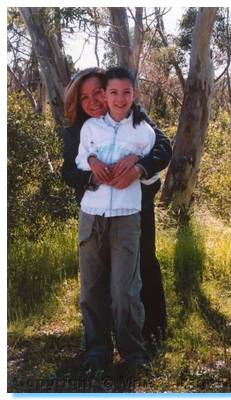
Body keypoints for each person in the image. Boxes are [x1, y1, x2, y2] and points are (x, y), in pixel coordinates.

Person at [62, 67, 172, 354]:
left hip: (135, 206)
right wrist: (91, 174)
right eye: (84, 97)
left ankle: (152, 334)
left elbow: (161, 146)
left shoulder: (135, 119)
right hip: (95, 208)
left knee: (141, 268)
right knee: (98, 281)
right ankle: (100, 344)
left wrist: (139, 162)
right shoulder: (81, 130)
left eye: (98, 91)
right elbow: (70, 171)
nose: (93, 100)